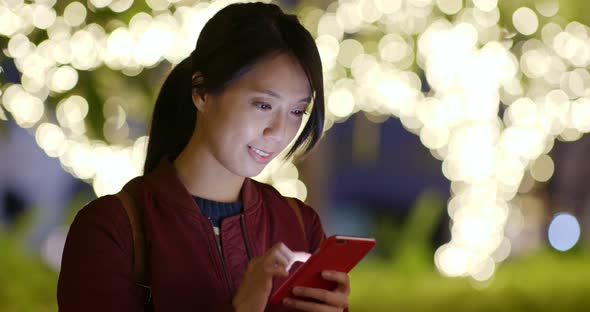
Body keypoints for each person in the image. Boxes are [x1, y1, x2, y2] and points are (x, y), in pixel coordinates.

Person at [57, 2, 351, 311]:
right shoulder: (112, 230)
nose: (279, 131)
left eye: (295, 111)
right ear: (202, 93)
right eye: (263, 105)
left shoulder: (300, 226)